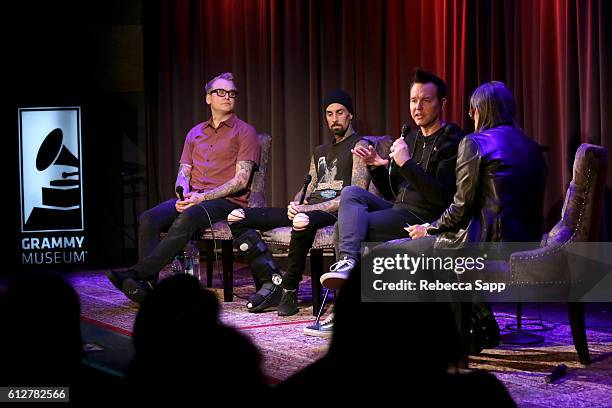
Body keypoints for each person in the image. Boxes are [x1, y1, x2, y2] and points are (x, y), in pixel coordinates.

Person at [305, 69, 464, 337]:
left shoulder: (452, 140)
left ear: (442, 103)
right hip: (398, 208)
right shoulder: (411, 139)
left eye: (425, 100)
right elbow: (394, 193)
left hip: (423, 216)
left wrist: (405, 164)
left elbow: (442, 196)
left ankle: (342, 309)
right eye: (413, 100)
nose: (417, 107)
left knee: (349, 229)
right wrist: (378, 167)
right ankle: (347, 267)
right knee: (351, 194)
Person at [402, 80, 548, 353]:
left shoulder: (475, 142)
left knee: (421, 250)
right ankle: (478, 322)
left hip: (490, 244)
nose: (471, 116)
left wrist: (431, 228)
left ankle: (463, 332)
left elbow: (460, 207)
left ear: (481, 110)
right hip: (530, 242)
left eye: (472, 110)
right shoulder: (532, 146)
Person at [107, 72, 260, 304]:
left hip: (226, 202)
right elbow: (183, 172)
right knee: (149, 218)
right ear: (208, 98)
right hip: (194, 197)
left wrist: (202, 198)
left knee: (189, 216)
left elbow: (241, 180)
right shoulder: (195, 133)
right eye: (220, 92)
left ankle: (136, 273)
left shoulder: (245, 132)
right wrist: (182, 193)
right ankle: (148, 285)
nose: (227, 97)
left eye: (231, 93)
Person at [227, 90, 370, 316]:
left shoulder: (360, 145)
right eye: (329, 113)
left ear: (350, 115)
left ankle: (290, 288)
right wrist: (296, 202)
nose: (334, 118)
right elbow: (309, 188)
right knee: (237, 216)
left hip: (335, 211)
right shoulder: (320, 151)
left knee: (302, 219)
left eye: (340, 113)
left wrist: (306, 209)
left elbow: (356, 195)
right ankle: (272, 280)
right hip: (307, 208)